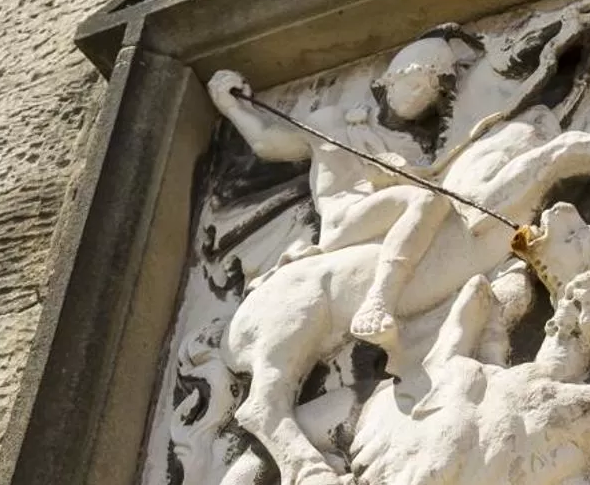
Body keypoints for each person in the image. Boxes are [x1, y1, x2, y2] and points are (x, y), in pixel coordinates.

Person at [206, 26, 483, 348]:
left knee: (430, 202)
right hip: (344, 217)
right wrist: (235, 108)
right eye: (414, 83)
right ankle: (380, 299)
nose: (418, 95)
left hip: (384, 222)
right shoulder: (331, 122)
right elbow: (268, 143)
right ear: (390, 80)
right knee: (424, 201)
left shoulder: (412, 148)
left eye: (429, 93)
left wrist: (402, 173)